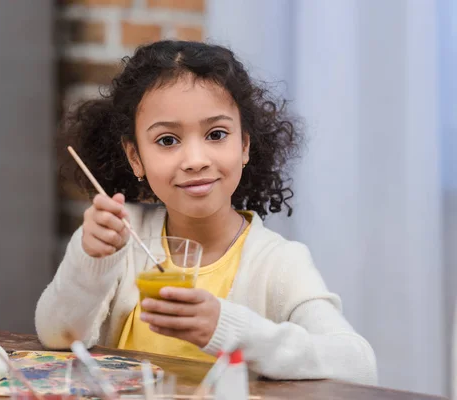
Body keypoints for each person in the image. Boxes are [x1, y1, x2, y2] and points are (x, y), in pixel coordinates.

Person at [35, 40, 377, 384]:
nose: (196, 160)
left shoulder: (279, 264)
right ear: (135, 156)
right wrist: (92, 260)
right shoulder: (117, 240)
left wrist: (225, 327)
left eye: (216, 134)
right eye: (167, 140)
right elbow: (57, 336)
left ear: (244, 145)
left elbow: (358, 365)